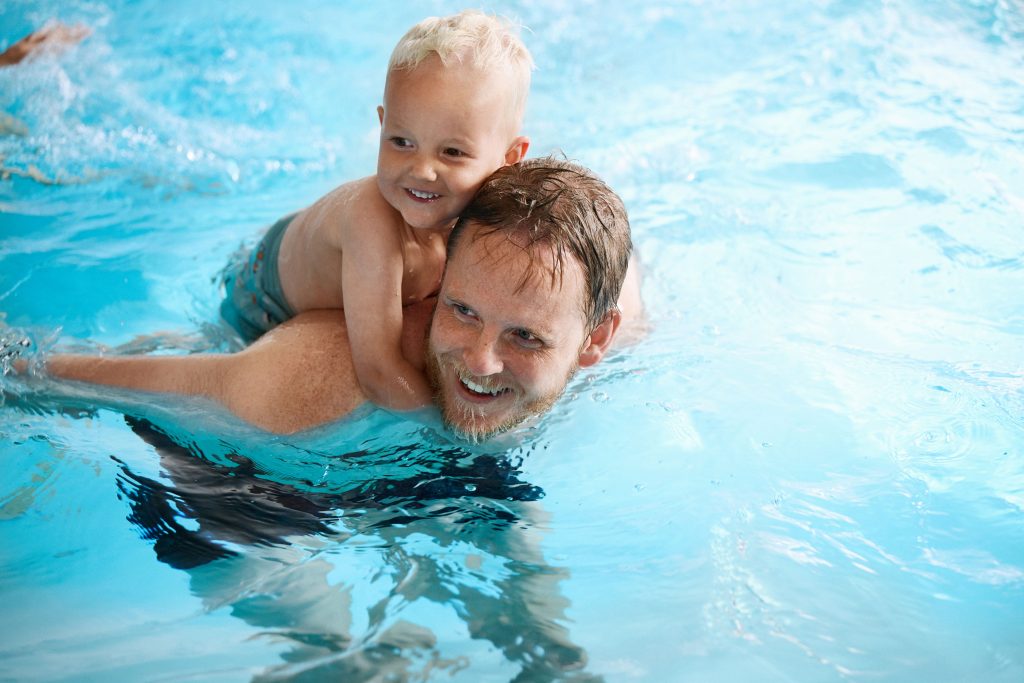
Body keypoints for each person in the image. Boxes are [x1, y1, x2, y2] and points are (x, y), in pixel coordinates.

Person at [31, 156, 643, 443]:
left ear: (595, 341)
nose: (481, 361)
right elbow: (140, 385)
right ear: (438, 284)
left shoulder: (616, 319)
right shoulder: (327, 373)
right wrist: (24, 367)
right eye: (461, 310)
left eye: (526, 337)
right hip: (241, 478)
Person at [219, 10, 532, 413]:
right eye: (401, 141)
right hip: (262, 296)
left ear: (509, 159)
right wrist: (447, 434)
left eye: (452, 152)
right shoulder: (373, 221)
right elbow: (380, 374)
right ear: (381, 125)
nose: (421, 170)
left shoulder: (486, 219)